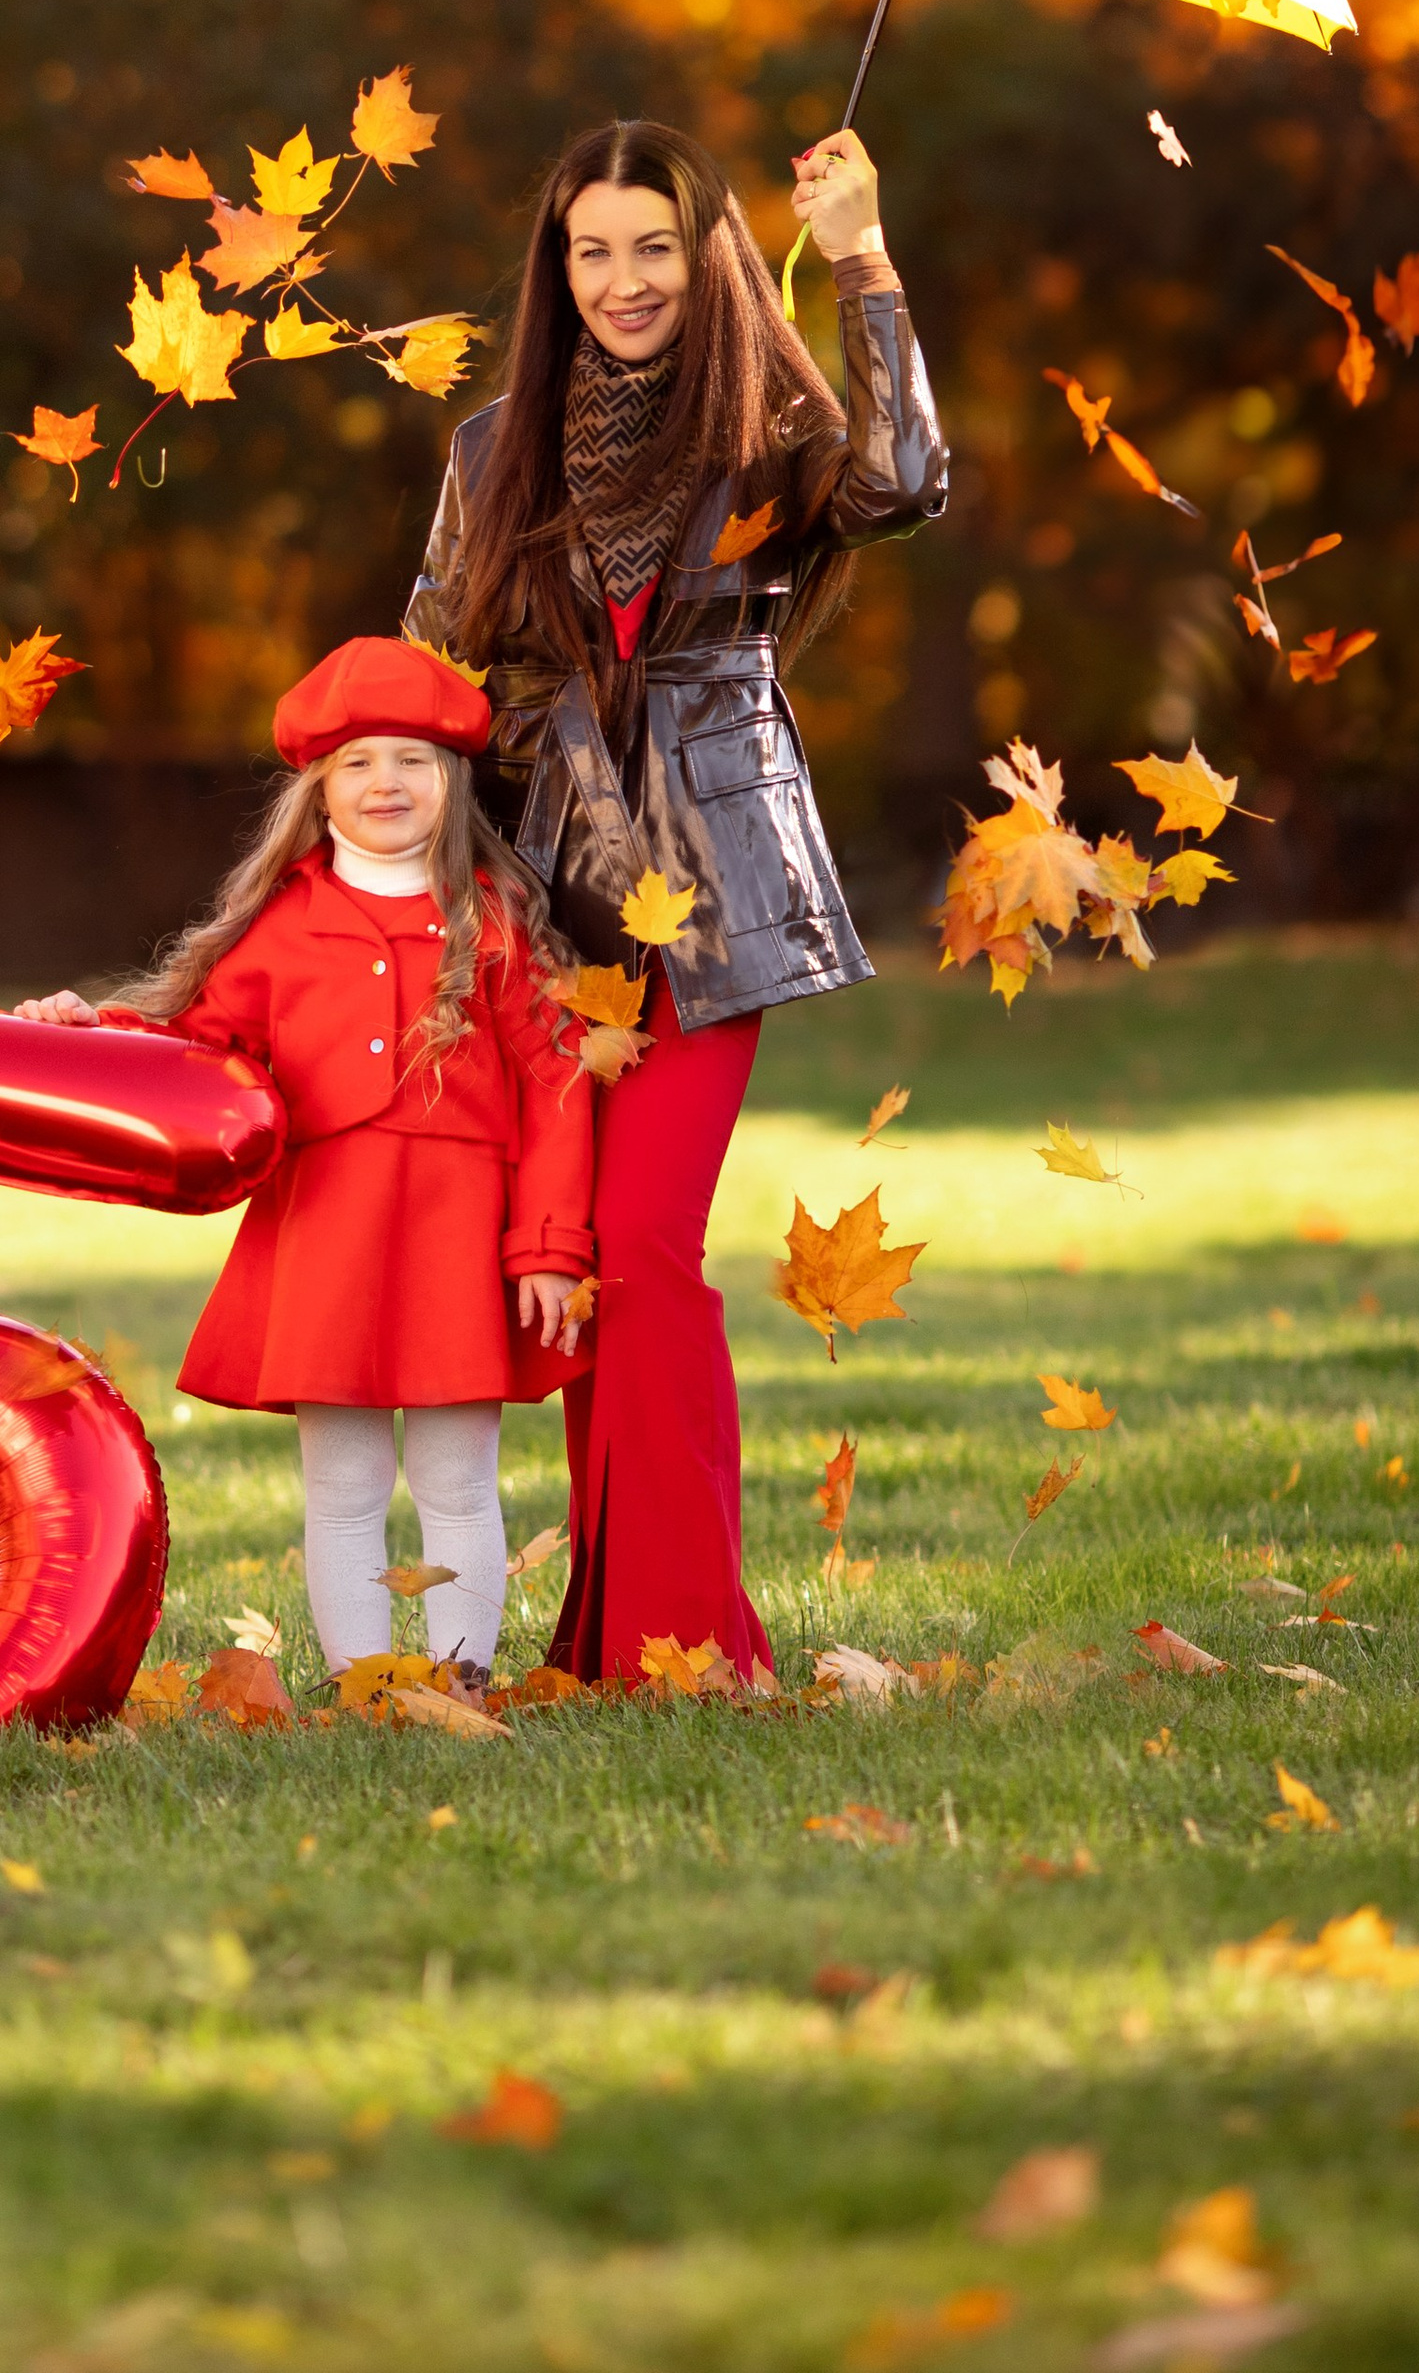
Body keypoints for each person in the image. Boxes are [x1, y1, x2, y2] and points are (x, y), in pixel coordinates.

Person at [405, 118, 947, 1688]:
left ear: (703, 257)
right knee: (572, 1272)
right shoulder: (491, 446)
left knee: (640, 1251)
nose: (625, 280)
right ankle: (612, 1636)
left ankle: (690, 1637)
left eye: (655, 247)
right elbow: (435, 666)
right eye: (594, 250)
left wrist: (861, 258)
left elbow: (907, 482)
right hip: (546, 901)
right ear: (555, 269)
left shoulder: (770, 433)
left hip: (716, 894)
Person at [10, 634, 595, 1689]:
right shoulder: (281, 927)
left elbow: (559, 1090)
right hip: (325, 1227)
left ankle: (459, 1674)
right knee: (344, 1482)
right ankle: (364, 1677)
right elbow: (196, 1048)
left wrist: (547, 1246)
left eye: (412, 761)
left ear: (452, 785)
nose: (386, 783)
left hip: (460, 1235)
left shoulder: (495, 925)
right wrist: (85, 1029)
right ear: (318, 791)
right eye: (359, 762)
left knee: (458, 1476)